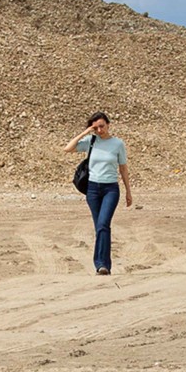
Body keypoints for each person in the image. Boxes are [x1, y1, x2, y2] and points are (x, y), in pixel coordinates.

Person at [64, 112, 132, 275]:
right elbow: (67, 148)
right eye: (96, 127)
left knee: (103, 224)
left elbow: (123, 168)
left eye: (102, 126)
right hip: (93, 189)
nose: (100, 130)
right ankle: (102, 265)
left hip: (110, 189)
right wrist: (86, 132)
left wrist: (128, 191)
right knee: (100, 227)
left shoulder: (117, 144)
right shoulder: (91, 141)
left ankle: (102, 264)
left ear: (108, 125)